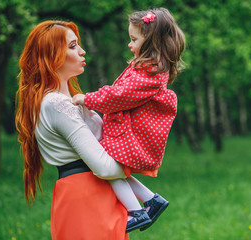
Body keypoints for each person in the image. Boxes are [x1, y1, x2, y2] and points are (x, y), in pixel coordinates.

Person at [72, 8, 186, 232]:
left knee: (105, 170)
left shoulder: (148, 75)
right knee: (114, 171)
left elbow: (118, 96)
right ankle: (152, 200)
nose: (129, 44)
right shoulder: (146, 70)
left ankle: (138, 212)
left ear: (152, 43)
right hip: (124, 133)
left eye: (134, 39)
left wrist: (87, 99)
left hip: (128, 137)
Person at [15, 20, 129, 239]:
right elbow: (104, 167)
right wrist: (139, 161)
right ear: (52, 56)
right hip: (87, 195)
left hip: (93, 193)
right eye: (73, 46)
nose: (82, 51)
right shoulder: (57, 104)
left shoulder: (64, 100)